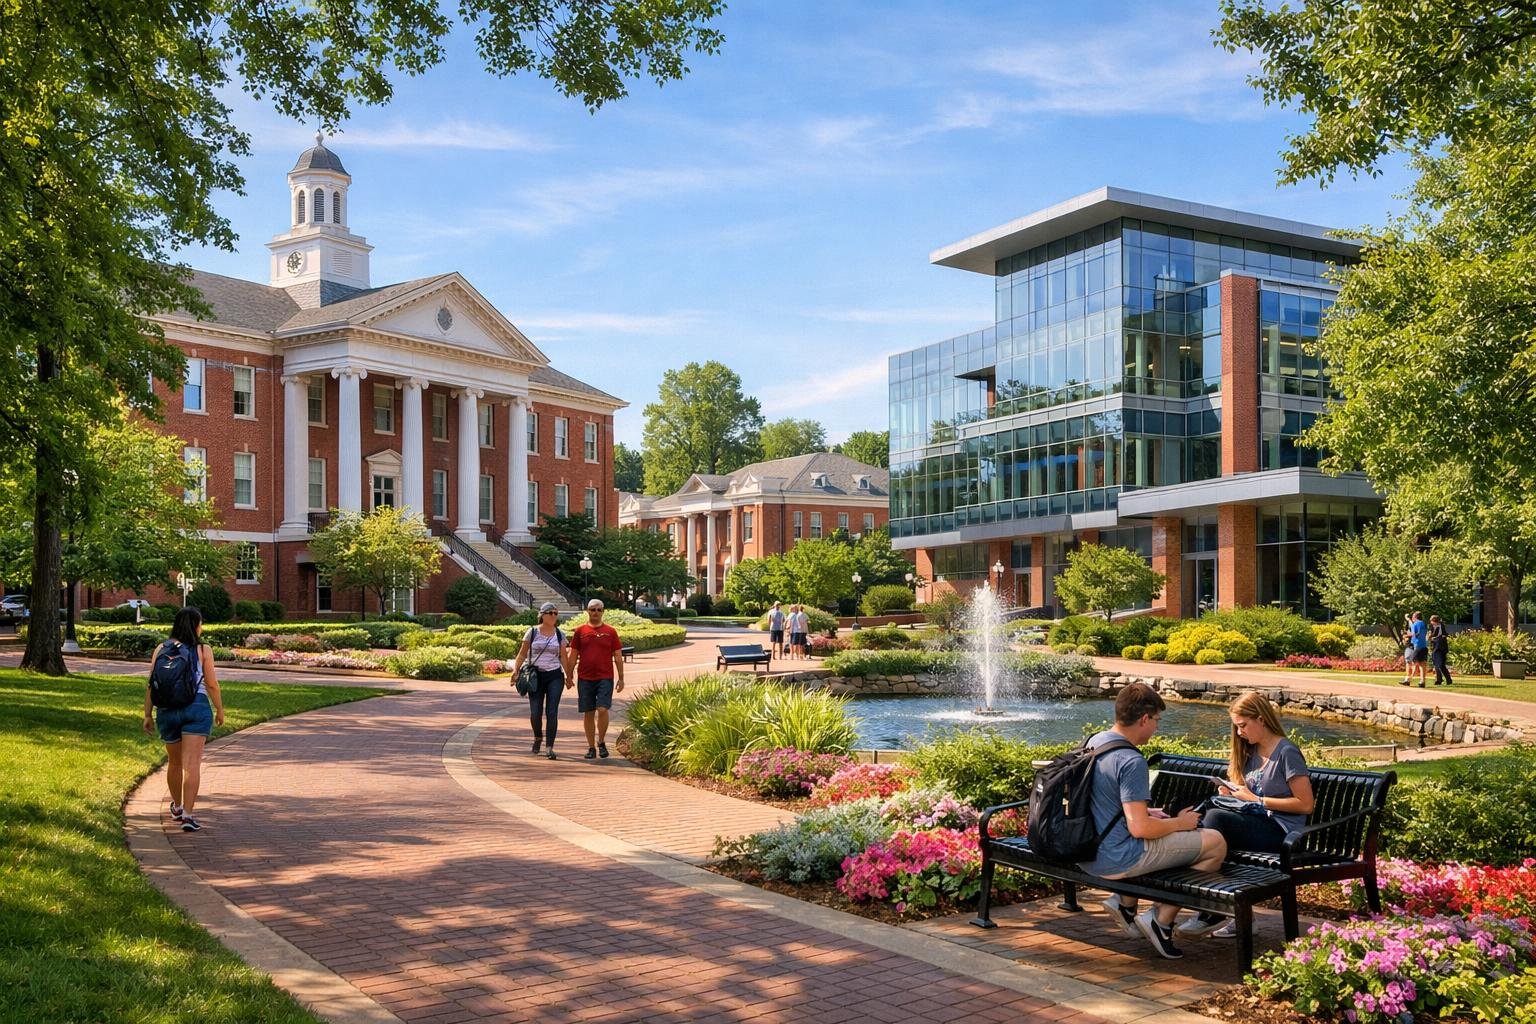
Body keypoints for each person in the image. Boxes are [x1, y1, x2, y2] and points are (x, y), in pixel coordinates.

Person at [1085, 682, 1227, 960]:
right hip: (1117, 858)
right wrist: (1179, 823)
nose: (1157, 728)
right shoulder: (1131, 760)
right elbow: (1140, 829)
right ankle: (1161, 920)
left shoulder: (1096, 741)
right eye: (1157, 721)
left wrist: (1151, 813)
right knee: (1215, 843)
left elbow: (1106, 802)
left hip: (1088, 852)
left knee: (1166, 837)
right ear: (1144, 719)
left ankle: (1126, 905)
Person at [1176, 690, 1315, 940]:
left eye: (1243, 726)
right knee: (1208, 818)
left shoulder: (1286, 752)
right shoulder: (1249, 752)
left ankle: (1214, 908)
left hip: (1281, 831)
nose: (1239, 733)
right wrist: (1231, 793)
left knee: (1215, 822)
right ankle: (1233, 914)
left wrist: (1256, 799)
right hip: (1256, 822)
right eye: (1236, 727)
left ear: (1261, 719)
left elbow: (1305, 804)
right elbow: (1247, 796)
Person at [142, 607, 224, 833]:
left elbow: (152, 684)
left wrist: (148, 714)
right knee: (192, 765)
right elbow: (212, 684)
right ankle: (188, 815)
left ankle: (176, 807)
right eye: (201, 623)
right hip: (196, 707)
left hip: (167, 710)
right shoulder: (203, 649)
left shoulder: (161, 648)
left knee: (175, 763)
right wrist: (219, 709)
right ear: (197, 625)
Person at [567, 598, 624, 760]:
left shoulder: (611, 631)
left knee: (603, 709)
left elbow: (618, 656)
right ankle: (591, 747)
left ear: (603, 612)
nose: (596, 612)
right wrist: (569, 675)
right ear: (587, 611)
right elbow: (573, 655)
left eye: (599, 609)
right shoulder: (580, 631)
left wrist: (621, 678)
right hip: (585, 677)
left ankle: (601, 741)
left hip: (605, 677)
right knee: (589, 712)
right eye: (593, 609)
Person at [511, 602, 569, 759]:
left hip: (555, 676)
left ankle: (549, 747)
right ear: (542, 615)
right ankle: (538, 737)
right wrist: (515, 671)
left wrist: (569, 675)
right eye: (551, 613)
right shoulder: (532, 632)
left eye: (556, 613)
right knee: (535, 712)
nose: (554, 616)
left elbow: (564, 656)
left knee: (552, 711)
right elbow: (522, 654)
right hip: (535, 676)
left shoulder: (560, 634)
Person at [1401, 611, 1430, 687]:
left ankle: (1408, 680)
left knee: (1414, 663)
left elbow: (1415, 634)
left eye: (1413, 616)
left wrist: (1407, 635)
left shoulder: (1415, 624)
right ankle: (1422, 681)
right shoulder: (1423, 623)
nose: (1412, 618)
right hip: (1424, 645)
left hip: (1417, 646)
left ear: (1415, 617)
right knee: (1422, 664)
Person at [1429, 614, 1453, 687]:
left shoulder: (1440, 627)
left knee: (1438, 664)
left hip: (1439, 648)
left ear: (1434, 621)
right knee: (1441, 665)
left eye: (1432, 621)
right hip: (1439, 647)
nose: (1431, 623)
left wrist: (1433, 638)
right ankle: (1448, 680)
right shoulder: (1435, 627)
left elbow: (1438, 636)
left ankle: (1439, 680)